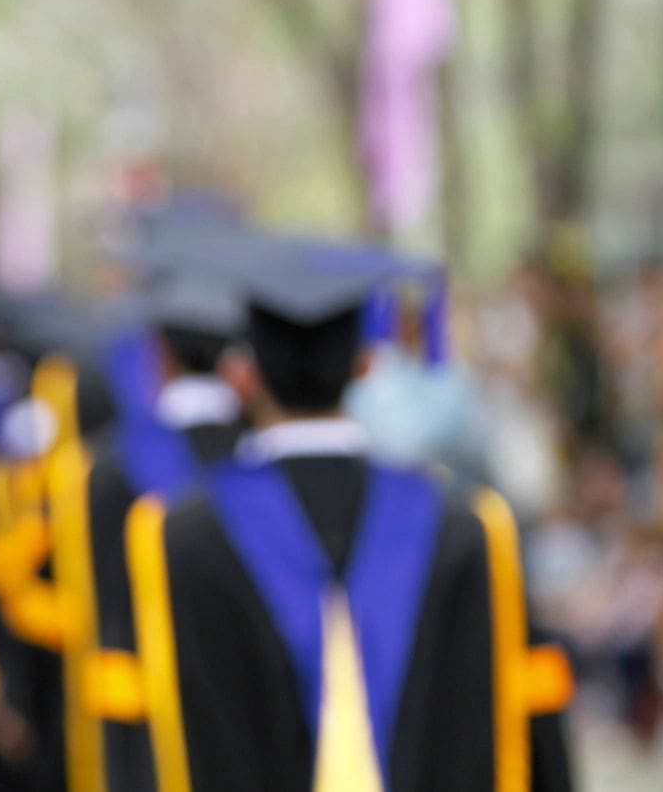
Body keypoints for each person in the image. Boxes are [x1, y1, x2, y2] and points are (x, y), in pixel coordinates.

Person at [127, 236, 574, 792]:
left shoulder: (183, 534)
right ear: (366, 364)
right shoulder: (464, 528)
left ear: (244, 374)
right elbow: (535, 712)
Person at [83, 269, 245, 792]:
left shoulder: (110, 467)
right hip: (248, 715)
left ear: (159, 353)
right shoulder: (257, 461)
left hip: (142, 718)